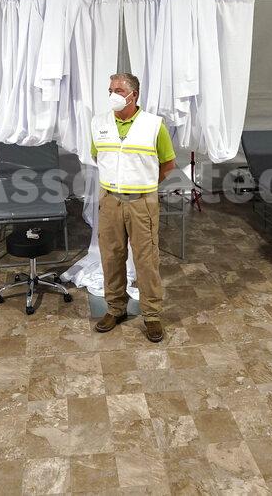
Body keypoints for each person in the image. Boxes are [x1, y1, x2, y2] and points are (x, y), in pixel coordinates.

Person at [91, 73, 176, 343]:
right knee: (111, 256)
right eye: (110, 89)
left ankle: (152, 315)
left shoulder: (154, 125)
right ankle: (115, 308)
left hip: (142, 202)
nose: (113, 94)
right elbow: (97, 156)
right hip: (110, 201)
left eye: (118, 89)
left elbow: (168, 164)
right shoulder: (98, 124)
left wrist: (144, 184)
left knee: (146, 259)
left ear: (133, 94)